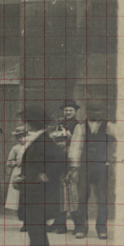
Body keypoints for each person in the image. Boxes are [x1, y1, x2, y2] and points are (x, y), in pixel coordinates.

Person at [16, 102, 66, 246]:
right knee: (38, 245)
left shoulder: (44, 141)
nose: (23, 124)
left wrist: (45, 176)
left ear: (31, 122)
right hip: (35, 199)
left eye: (25, 120)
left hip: (39, 201)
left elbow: (62, 160)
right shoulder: (39, 140)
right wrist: (25, 179)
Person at [71, 101, 115, 240]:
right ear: (87, 112)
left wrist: (113, 159)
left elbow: (122, 142)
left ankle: (102, 229)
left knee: (102, 198)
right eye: (92, 110)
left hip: (102, 167)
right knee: (82, 197)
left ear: (103, 112)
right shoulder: (81, 127)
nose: (96, 113)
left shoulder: (109, 126)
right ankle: (81, 229)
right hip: (85, 167)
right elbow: (76, 147)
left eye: (98, 110)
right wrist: (75, 167)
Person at [51, 100, 80, 234]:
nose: (67, 112)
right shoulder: (59, 124)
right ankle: (59, 223)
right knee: (59, 193)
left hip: (71, 159)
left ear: (75, 112)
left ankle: (78, 225)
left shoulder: (78, 125)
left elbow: (79, 143)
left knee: (72, 193)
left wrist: (70, 136)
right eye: (66, 110)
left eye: (70, 110)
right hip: (59, 159)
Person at [4, 122, 30, 227]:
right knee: (19, 196)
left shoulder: (31, 146)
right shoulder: (15, 148)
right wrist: (16, 163)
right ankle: (24, 220)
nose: (22, 138)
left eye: (24, 136)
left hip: (29, 171)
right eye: (19, 137)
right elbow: (9, 162)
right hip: (18, 172)